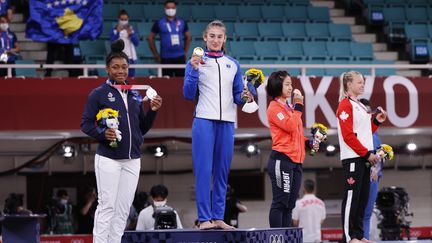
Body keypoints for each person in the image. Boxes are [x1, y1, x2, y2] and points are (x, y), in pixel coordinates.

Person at [80, 39, 162, 243]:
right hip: (109, 158)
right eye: (115, 67)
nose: (120, 71)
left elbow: (142, 128)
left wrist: (152, 110)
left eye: (124, 67)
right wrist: (102, 134)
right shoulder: (98, 94)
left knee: (123, 208)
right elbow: (86, 123)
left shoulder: (134, 93)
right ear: (108, 69)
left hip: (133, 158)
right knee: (107, 205)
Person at [183, 20, 252, 230]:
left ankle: (218, 217)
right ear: (205, 38)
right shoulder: (195, 61)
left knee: (222, 172)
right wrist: (194, 70)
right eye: (211, 36)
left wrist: (247, 95)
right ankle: (204, 219)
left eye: (219, 36)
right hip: (204, 120)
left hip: (227, 122)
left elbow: (238, 98)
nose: (215, 40)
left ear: (224, 39)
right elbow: (187, 94)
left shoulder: (233, 64)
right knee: (204, 170)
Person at [336, 71, 387, 243]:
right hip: (353, 158)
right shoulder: (345, 105)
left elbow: (365, 134)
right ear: (349, 84)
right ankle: (349, 237)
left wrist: (377, 122)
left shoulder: (360, 106)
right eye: (359, 82)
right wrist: (366, 154)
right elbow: (348, 136)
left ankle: (358, 235)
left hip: (364, 158)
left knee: (361, 199)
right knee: (351, 198)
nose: (363, 85)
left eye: (363, 82)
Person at [265, 70, 317, 228]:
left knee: (289, 205)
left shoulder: (288, 108)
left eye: (291, 84)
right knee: (280, 203)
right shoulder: (274, 108)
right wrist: (299, 106)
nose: (290, 87)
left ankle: (287, 238)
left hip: (296, 162)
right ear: (277, 85)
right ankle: (276, 238)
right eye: (287, 84)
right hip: (282, 159)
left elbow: (296, 133)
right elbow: (290, 125)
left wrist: (308, 143)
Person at [359, 99, 383, 240]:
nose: (368, 114)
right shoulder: (358, 133)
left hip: (372, 178)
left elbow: (379, 155)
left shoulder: (375, 136)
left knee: (366, 215)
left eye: (369, 112)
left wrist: (375, 170)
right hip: (360, 176)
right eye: (364, 111)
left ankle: (364, 239)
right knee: (359, 215)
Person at [147, 0, 191, 77]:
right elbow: (150, 38)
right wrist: (156, 54)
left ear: (175, 8)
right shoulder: (159, 22)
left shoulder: (182, 22)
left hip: (180, 57)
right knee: (166, 82)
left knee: (180, 82)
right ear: (165, 9)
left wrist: (185, 52)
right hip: (165, 57)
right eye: (168, 8)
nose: (170, 10)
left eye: (172, 7)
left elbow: (188, 36)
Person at [111, 9, 139, 78]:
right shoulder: (114, 30)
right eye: (122, 19)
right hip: (118, 57)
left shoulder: (131, 30)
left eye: (125, 19)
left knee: (130, 79)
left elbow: (137, 43)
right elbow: (112, 42)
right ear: (119, 19)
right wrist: (117, 33)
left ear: (128, 19)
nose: (124, 21)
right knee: (119, 78)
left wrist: (131, 35)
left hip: (130, 58)